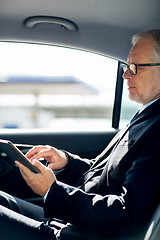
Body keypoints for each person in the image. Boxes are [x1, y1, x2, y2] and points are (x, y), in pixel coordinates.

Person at [0, 29, 160, 240]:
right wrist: (66, 162)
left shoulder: (156, 129)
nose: (125, 74)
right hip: (75, 224)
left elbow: (126, 215)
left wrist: (52, 191)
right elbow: (105, 174)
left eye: (134, 67)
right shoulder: (146, 116)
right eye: (126, 66)